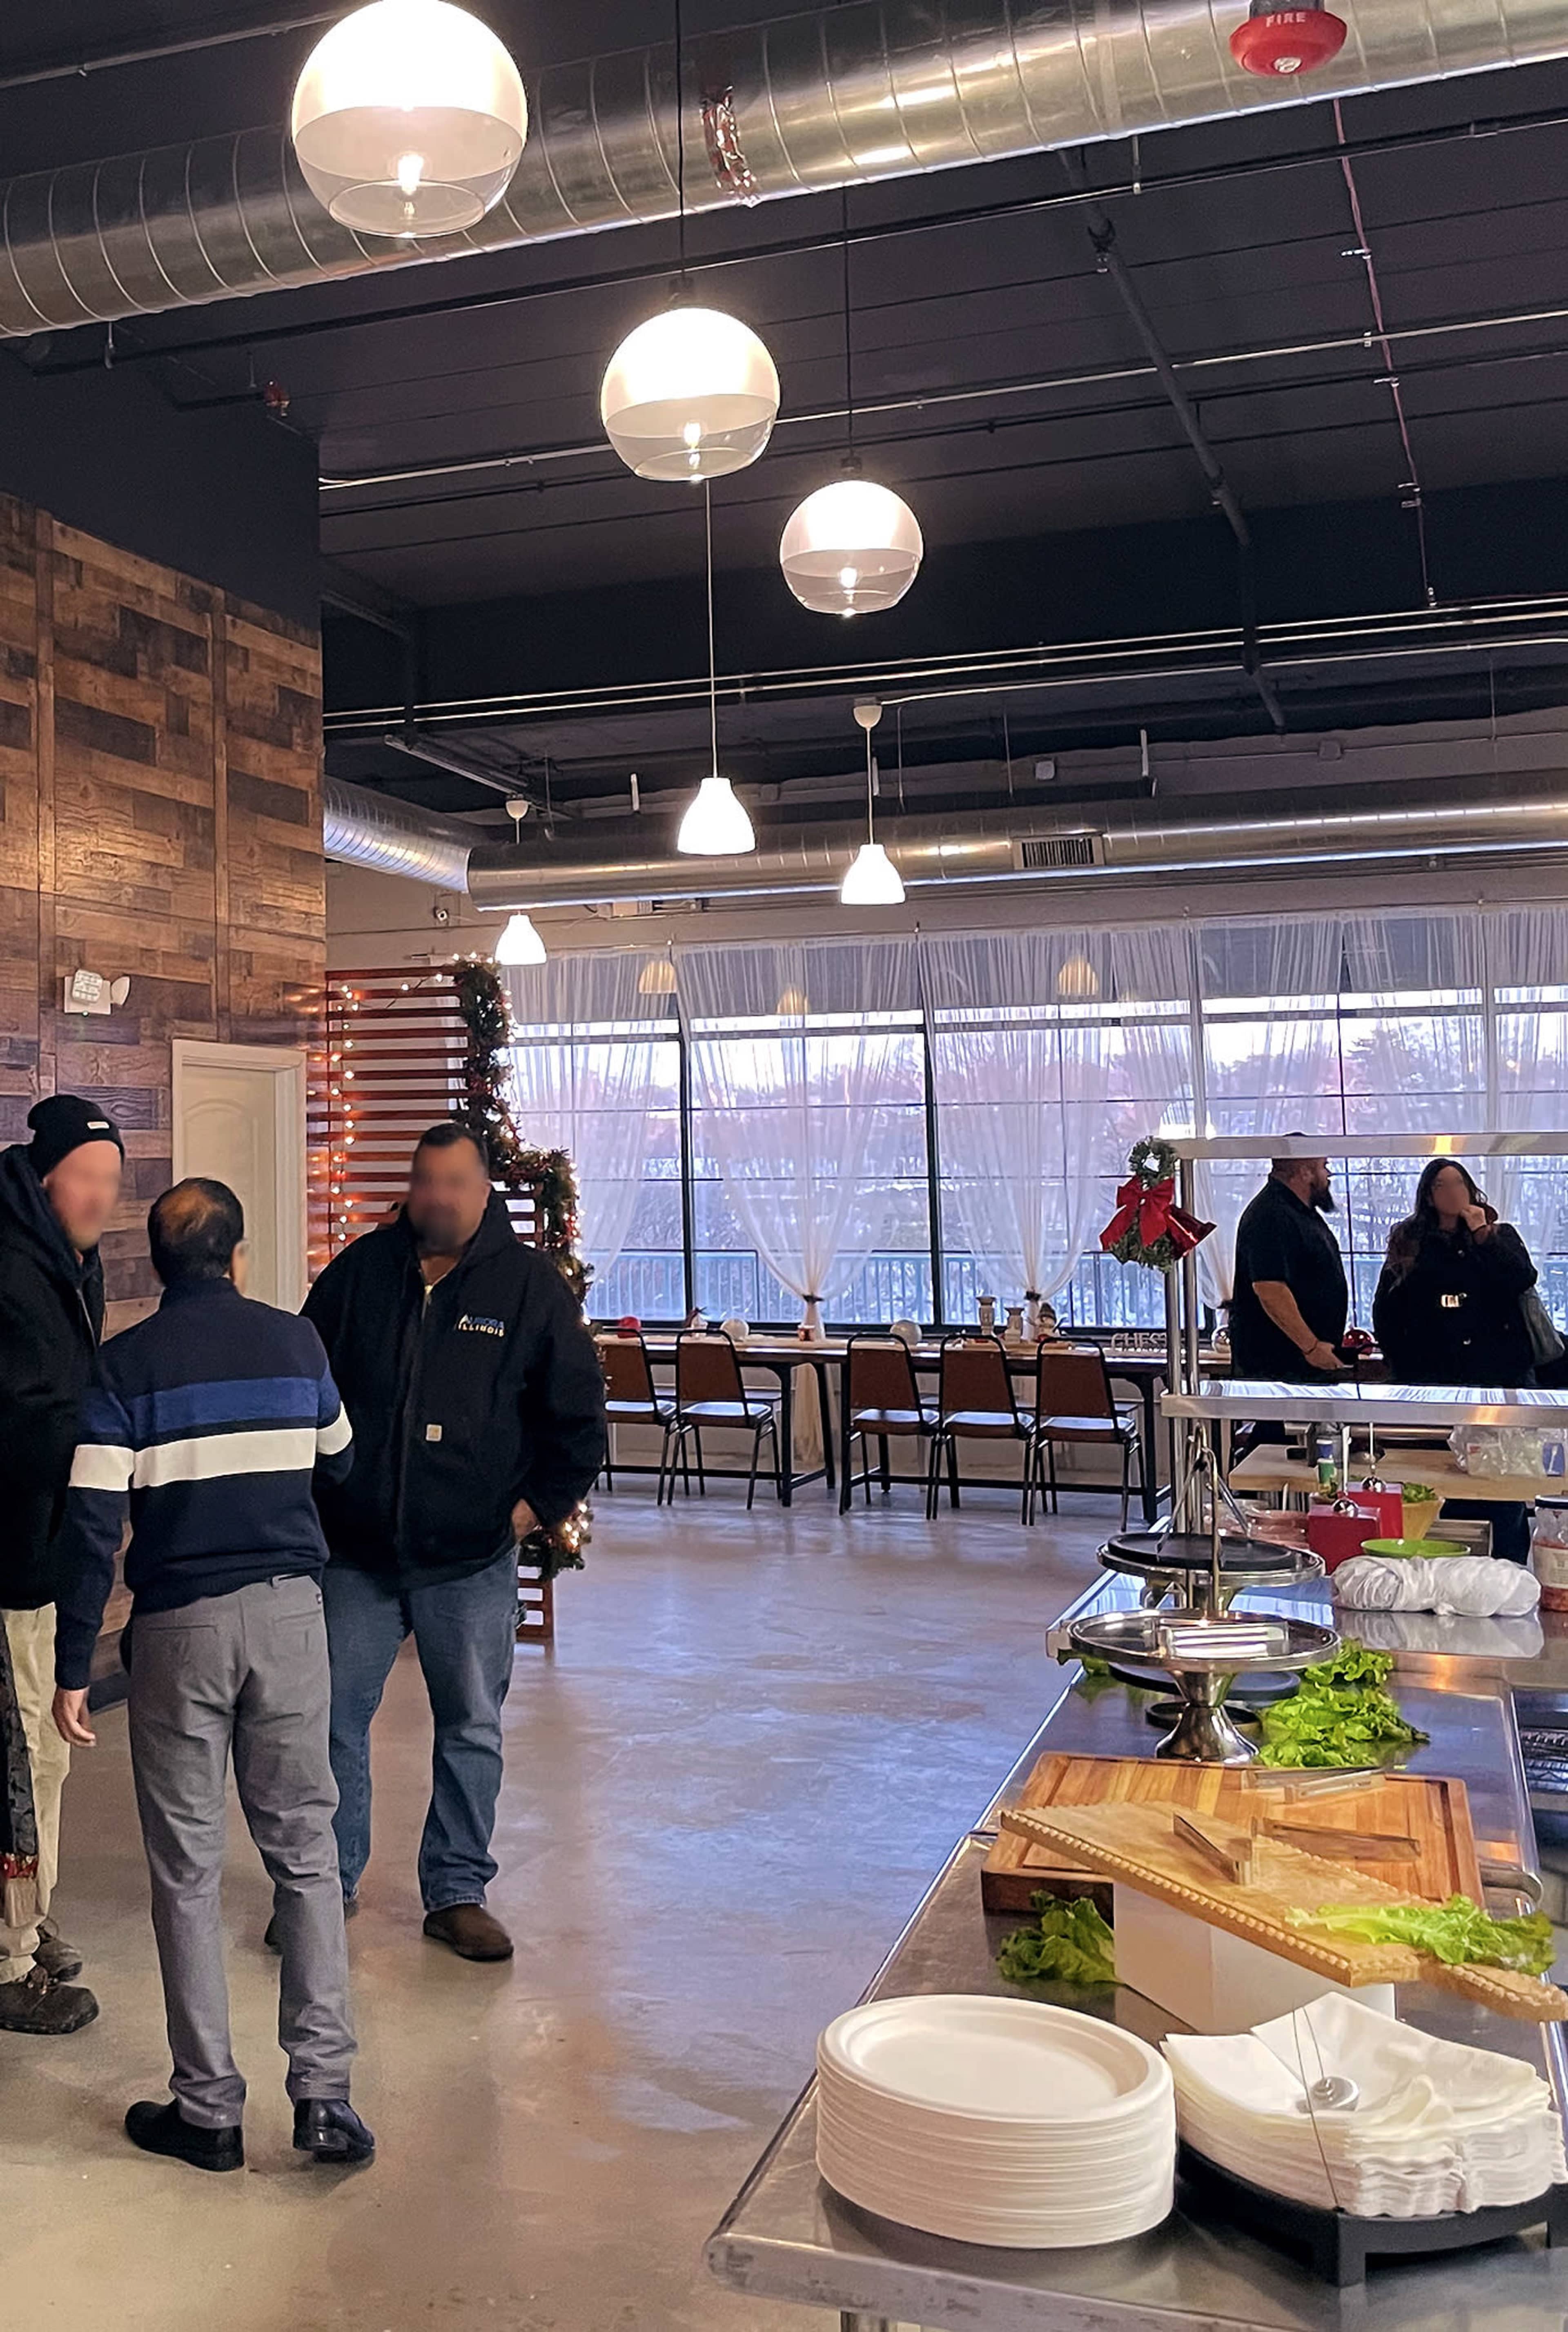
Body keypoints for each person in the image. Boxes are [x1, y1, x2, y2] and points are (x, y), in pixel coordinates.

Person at [50, 1179, 374, 2173]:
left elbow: (93, 1524)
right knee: (306, 1853)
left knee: (187, 1868)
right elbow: (343, 1460)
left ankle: (209, 2109)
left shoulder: (124, 1364)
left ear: (155, 1263)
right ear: (237, 1255)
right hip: (289, 1612)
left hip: (179, 1625)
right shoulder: (297, 1345)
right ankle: (323, 2097)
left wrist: (73, 1666)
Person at [303, 1123, 606, 1963]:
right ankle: (327, 1883)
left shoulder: (527, 1288)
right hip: (358, 1555)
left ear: (483, 1191)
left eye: (452, 1182)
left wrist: (528, 1510)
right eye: (423, 1179)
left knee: (470, 1725)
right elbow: (306, 1379)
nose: (435, 1195)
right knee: (332, 1721)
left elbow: (578, 1419)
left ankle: (457, 1889)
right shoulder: (362, 1273)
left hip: (469, 1560)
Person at [0, 1094, 122, 2036]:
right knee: (25, 1765)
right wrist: (90, 1436)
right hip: (10, 1553)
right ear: (49, 1174)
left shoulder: (70, 1264)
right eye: (91, 1178)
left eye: (115, 1183)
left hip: (47, 1550)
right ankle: (9, 1957)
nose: (104, 1199)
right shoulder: (11, 1265)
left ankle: (27, 1920)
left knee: (46, 1756)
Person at [1374, 1158, 1540, 1562]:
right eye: (1441, 1185)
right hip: (1432, 1376)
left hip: (1495, 1377)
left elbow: (1523, 1278)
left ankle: (1508, 1566)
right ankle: (1438, 1563)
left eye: (1458, 1183)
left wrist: (1483, 1232)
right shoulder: (1410, 1240)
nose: (1452, 1192)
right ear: (1429, 1195)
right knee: (1437, 1482)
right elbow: (1389, 1308)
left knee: (1500, 1486)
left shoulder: (1497, 1235)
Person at [1228, 1152, 1349, 1381]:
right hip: (1280, 1367)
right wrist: (1311, 1347)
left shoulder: (1301, 1212)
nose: (1329, 1174)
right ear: (1305, 1172)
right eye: (1324, 1166)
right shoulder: (1271, 1214)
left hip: (1303, 1364)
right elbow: (1270, 1289)